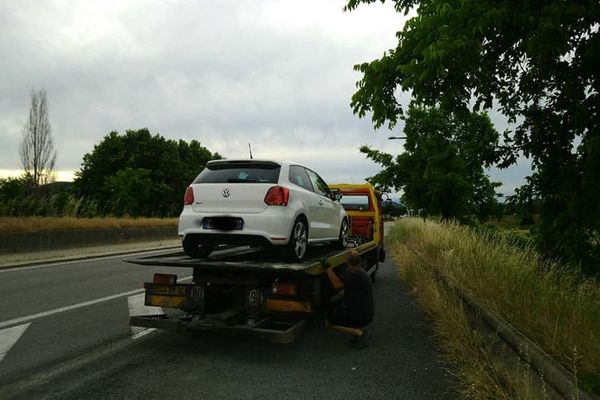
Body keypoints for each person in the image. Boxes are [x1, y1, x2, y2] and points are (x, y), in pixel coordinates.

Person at [325, 250, 374, 348]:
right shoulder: (361, 272)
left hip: (361, 316)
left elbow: (337, 285)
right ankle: (357, 333)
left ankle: (360, 333)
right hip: (368, 314)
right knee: (344, 311)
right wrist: (333, 299)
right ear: (359, 261)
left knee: (329, 322)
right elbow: (343, 292)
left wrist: (328, 268)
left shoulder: (352, 274)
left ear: (347, 263)